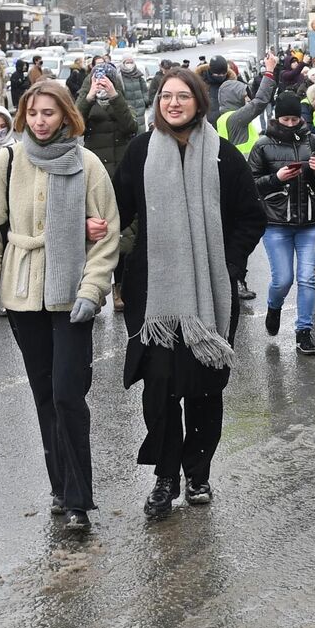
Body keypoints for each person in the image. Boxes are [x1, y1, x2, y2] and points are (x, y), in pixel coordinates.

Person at [113, 69, 266, 518]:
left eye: (183, 96)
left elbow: (250, 218)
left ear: (200, 102)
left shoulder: (224, 157)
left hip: (210, 291)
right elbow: (116, 211)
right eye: (166, 96)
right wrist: (102, 238)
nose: (173, 103)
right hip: (152, 293)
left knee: (203, 386)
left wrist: (229, 265)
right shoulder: (141, 151)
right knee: (159, 386)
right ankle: (164, 476)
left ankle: (198, 474)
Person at [0, 81, 121, 532]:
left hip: (70, 294)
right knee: (43, 396)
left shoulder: (87, 163)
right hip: (21, 296)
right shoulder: (8, 161)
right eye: (33, 113)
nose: (40, 120)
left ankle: (78, 499)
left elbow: (107, 232)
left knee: (67, 394)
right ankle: (60, 486)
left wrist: (93, 290)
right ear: (23, 116)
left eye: (49, 113)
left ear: (66, 116)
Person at [251, 92, 315, 355]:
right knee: (283, 279)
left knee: (307, 278)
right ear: (277, 118)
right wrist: (276, 178)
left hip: (311, 221)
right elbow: (251, 185)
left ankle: (303, 332)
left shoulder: (314, 141)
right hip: (276, 222)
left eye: (295, 119)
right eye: (286, 119)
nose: (291, 124)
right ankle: (274, 307)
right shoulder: (263, 145)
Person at [78, 63, 139, 174]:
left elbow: (131, 127)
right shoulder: (86, 101)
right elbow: (76, 127)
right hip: (95, 165)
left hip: (119, 163)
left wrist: (114, 97)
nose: (101, 84)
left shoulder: (121, 100)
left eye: (106, 80)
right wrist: (88, 98)